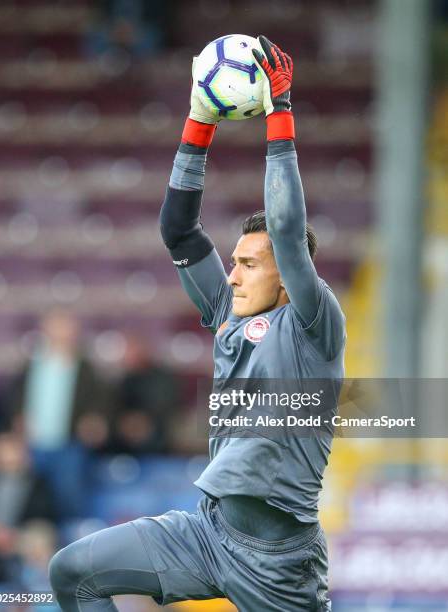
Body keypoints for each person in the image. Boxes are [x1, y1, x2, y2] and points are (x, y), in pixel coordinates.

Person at [49, 36, 346, 611]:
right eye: (233, 262)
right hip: (207, 536)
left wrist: (280, 111)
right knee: (72, 573)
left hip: (281, 563)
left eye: (247, 264)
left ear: (288, 276)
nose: (230, 274)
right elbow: (180, 233)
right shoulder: (226, 312)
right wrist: (198, 123)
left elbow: (287, 231)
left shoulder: (315, 324)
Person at [9, 308, 110, 520]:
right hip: (33, 442)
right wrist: (17, 426)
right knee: (24, 496)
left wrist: (94, 421)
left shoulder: (85, 367)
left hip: (69, 442)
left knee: (70, 494)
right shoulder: (31, 364)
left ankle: (74, 538)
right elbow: (17, 397)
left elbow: (99, 400)